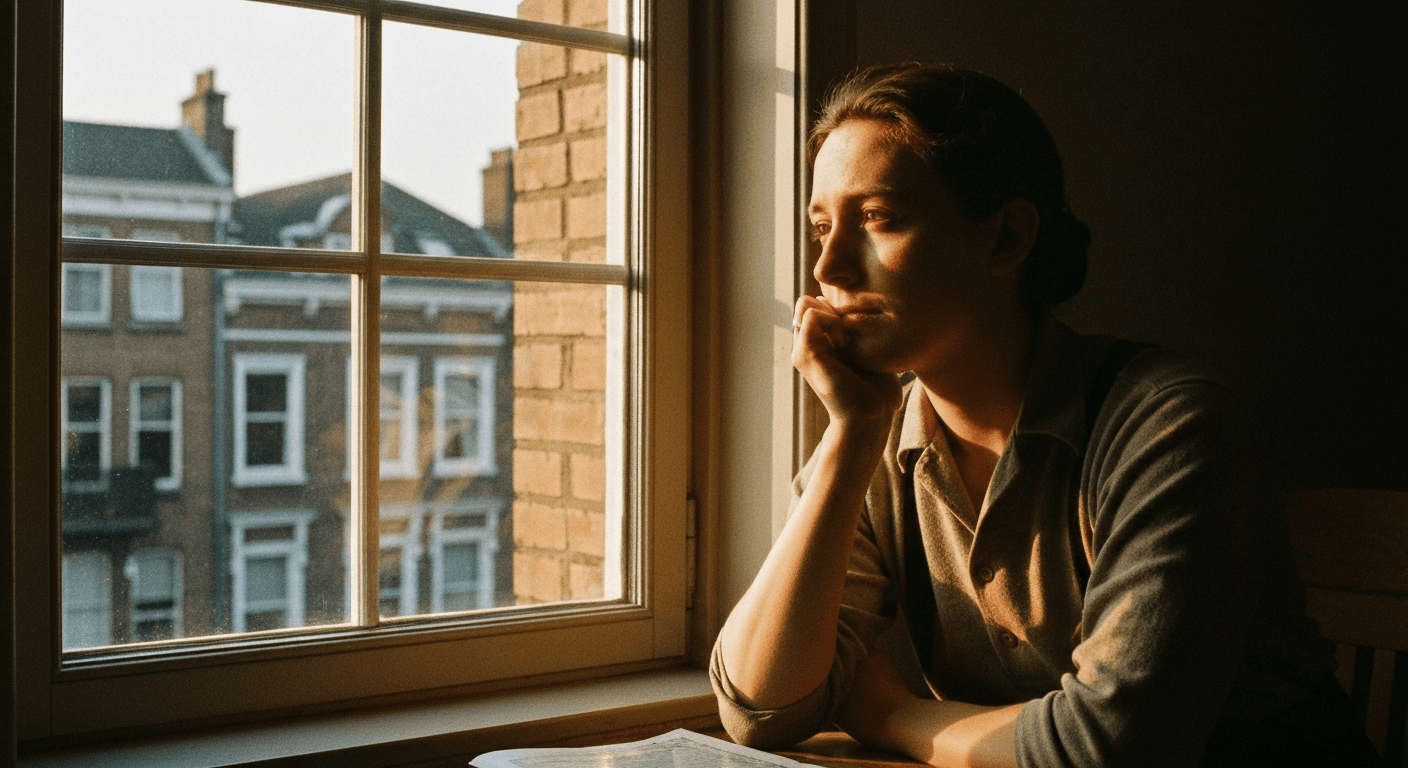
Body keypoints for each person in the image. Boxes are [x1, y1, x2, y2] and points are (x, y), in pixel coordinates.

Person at [709, 63, 1377, 767]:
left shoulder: (1170, 428)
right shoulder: (882, 434)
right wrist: (849, 438)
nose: (830, 269)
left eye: (878, 218)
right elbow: (760, 707)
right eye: (821, 228)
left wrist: (892, 713)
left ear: (1005, 239)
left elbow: (1110, 750)